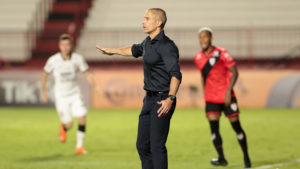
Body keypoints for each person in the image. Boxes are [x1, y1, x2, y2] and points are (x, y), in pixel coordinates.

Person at [96, 8, 182, 169]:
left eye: (147, 19)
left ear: (158, 23)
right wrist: (112, 51)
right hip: (148, 100)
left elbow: (176, 74)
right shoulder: (148, 42)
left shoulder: (166, 46)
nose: (143, 22)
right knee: (142, 146)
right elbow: (133, 50)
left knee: (156, 147)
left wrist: (170, 98)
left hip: (162, 100)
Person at [194, 27, 251, 168]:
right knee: (214, 129)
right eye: (200, 37)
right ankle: (221, 158)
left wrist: (228, 92)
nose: (203, 40)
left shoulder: (222, 53)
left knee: (236, 127)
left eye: (205, 37)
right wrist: (205, 93)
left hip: (226, 97)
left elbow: (235, 72)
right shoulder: (198, 57)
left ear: (211, 38)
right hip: (211, 98)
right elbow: (203, 75)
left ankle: (246, 158)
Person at [41, 34, 96, 155]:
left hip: (75, 94)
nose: (65, 47)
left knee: (82, 117)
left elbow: (86, 72)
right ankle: (64, 127)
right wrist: (44, 91)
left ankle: (79, 147)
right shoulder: (53, 60)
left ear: (71, 46)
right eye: (62, 45)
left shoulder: (78, 58)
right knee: (69, 124)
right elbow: (44, 75)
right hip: (61, 96)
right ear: (59, 46)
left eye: (67, 45)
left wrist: (92, 81)